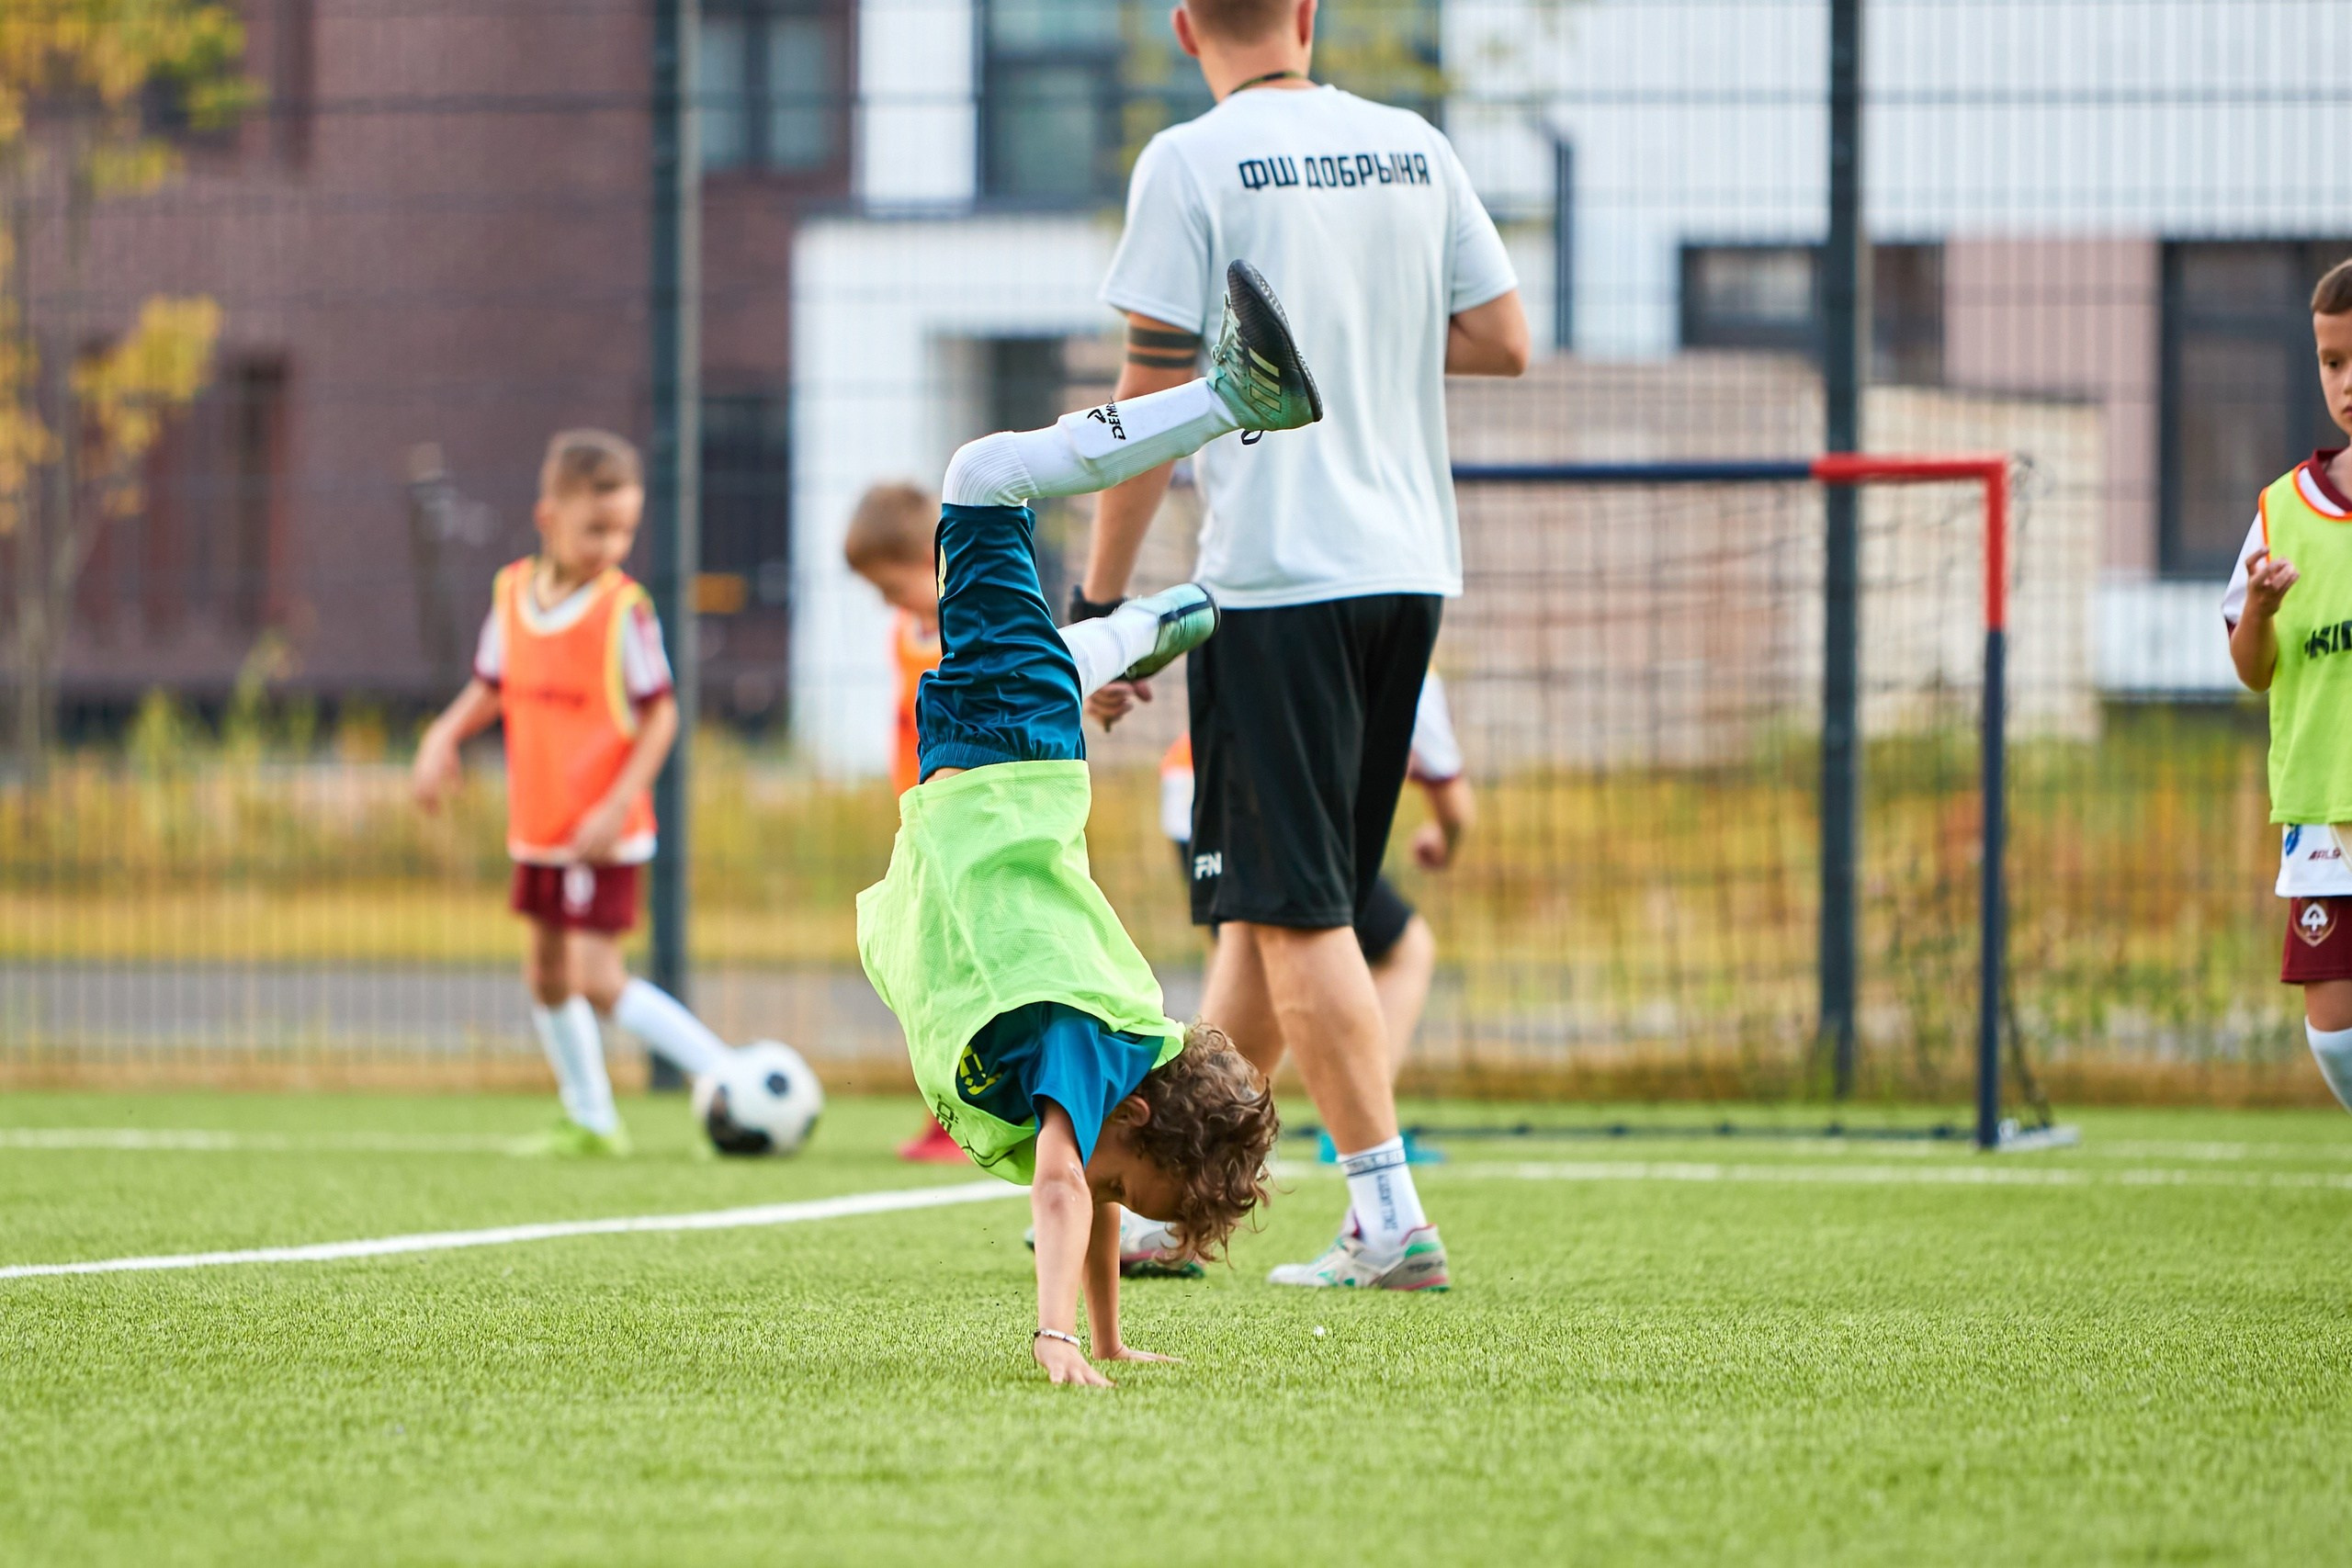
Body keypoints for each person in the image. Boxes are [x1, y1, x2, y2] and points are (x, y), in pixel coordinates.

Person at [1076, 0, 1528, 1289]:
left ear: (1181, 28)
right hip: (1407, 572)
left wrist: (1105, 610)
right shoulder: (1414, 145)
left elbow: (1149, 398)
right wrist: (1368, 336)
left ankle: (1387, 1212)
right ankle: (1188, 1200)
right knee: (1257, 910)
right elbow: (1504, 340)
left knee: (1294, 907)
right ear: (1310, 17)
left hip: (1278, 579)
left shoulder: (1190, 159)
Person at [857, 262, 1309, 1382]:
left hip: (1013, 754)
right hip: (1003, 754)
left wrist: (1110, 1336)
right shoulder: (1084, 1051)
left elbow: (1098, 1198)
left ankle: (1176, 615)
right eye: (1126, 1180)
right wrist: (1053, 1336)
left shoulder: (1120, 1094)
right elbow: (1065, 1187)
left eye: (1119, 1190)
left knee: (1055, 658)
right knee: (980, 476)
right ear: (1146, 1112)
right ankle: (1232, 399)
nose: (1105, 1191)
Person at [413, 430, 733, 1155]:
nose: (613, 544)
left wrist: (619, 800)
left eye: (624, 529)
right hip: (540, 825)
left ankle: (728, 1074)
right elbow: (491, 685)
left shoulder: (626, 610)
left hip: (602, 828)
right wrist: (442, 736)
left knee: (597, 976)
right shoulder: (512, 592)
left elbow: (661, 713)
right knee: (547, 972)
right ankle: (591, 1117)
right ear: (548, 516)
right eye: (598, 527)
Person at [1159, 671, 1476, 1147]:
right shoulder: (1408, 659)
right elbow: (1455, 807)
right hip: (1262, 801)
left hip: (1197, 786)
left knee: (1239, 955)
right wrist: (1444, 840)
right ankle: (1357, 1132)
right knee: (1400, 948)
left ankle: (1191, 1144)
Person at [2224, 256, 2352, 1112]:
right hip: (2323, 813)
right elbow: (2250, 669)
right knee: (2335, 1035)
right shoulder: (2283, 511)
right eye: (2333, 361)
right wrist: (2263, 612)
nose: (2346, 381)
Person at [842, 482, 967, 1164]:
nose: (888, 604)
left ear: (931, 556)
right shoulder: (906, 633)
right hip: (921, 829)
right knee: (926, 970)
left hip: (968, 827)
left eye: (893, 586)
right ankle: (945, 1110)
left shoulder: (968, 627)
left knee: (962, 971)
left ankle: (971, 1110)